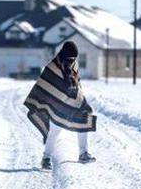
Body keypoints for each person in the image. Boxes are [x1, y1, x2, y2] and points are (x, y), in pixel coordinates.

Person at [24, 41, 97, 170]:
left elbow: (76, 83)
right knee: (54, 132)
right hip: (57, 105)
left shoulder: (74, 64)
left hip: (74, 103)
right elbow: (45, 85)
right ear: (64, 54)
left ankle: (83, 153)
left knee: (84, 121)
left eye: (74, 58)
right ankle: (46, 158)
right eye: (70, 58)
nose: (72, 60)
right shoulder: (52, 67)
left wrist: (80, 98)